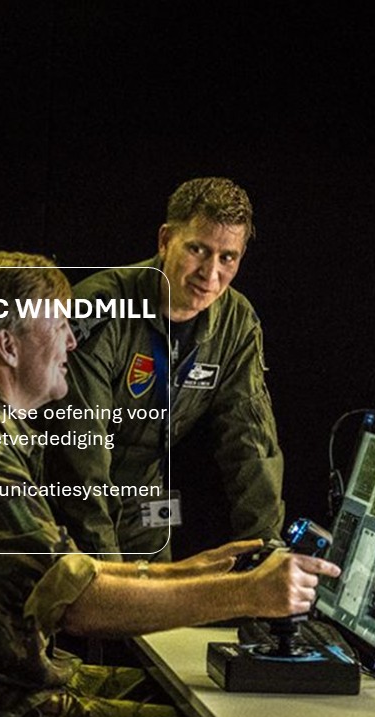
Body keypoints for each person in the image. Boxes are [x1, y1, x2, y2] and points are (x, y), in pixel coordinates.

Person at [0, 250, 336, 717]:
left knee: (213, 697)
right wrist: (246, 593)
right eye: (58, 326)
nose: (72, 343)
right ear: (8, 346)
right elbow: (79, 604)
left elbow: (70, 573)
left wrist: (191, 572)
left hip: (3, 678)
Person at [45, 177, 283, 560]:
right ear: (165, 240)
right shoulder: (100, 307)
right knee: (100, 589)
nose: (210, 274)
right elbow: (79, 452)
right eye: (198, 249)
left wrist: (266, 551)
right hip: (67, 494)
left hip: (148, 493)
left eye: (228, 258)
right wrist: (109, 575)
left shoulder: (237, 324)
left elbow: (251, 442)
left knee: (164, 595)